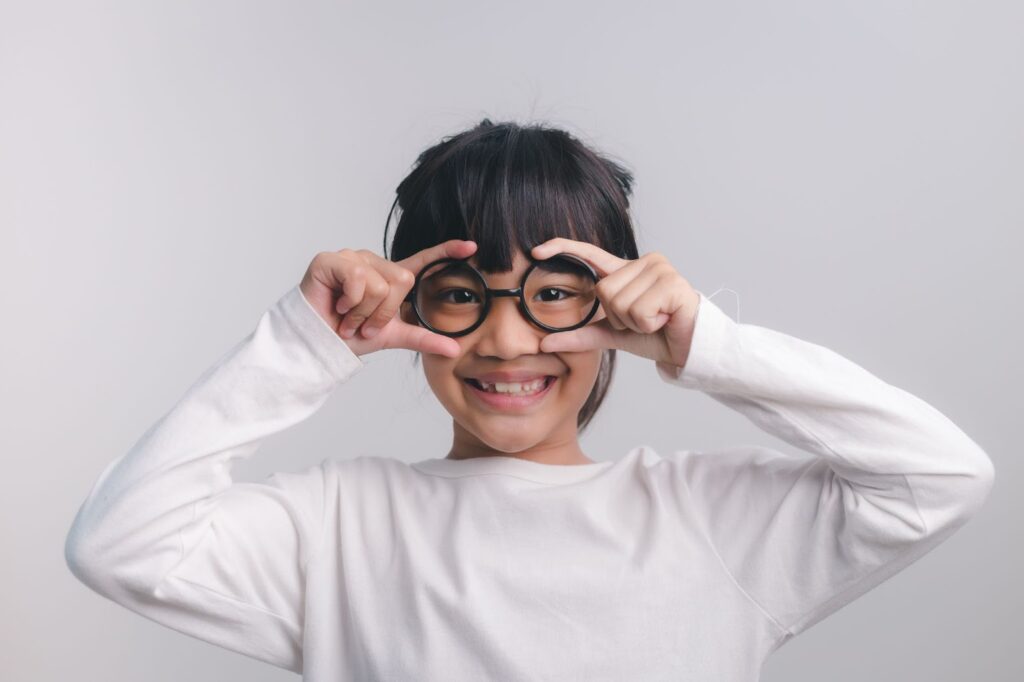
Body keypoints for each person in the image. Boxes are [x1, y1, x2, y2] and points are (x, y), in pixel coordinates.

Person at [65, 119, 995, 681]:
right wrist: (303, 344)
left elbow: (939, 476)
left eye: (555, 292)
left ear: (619, 303)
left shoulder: (711, 520)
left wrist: (708, 344)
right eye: (465, 293)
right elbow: (120, 545)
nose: (508, 341)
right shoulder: (339, 526)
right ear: (411, 301)